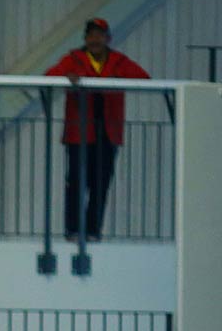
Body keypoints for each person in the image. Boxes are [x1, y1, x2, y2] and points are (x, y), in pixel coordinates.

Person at [45, 18, 149, 241]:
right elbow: (49, 76)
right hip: (78, 134)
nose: (95, 39)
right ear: (85, 38)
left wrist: (118, 79)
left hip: (107, 134)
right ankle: (73, 230)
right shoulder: (73, 59)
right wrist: (67, 77)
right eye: (91, 35)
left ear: (108, 38)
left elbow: (143, 78)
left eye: (99, 35)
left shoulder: (119, 61)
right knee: (76, 183)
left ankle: (93, 231)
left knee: (100, 185)